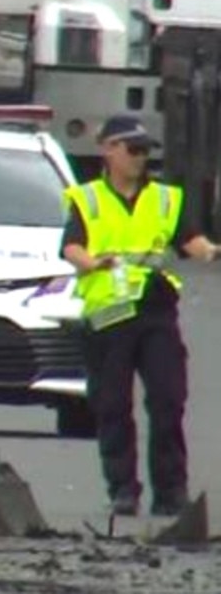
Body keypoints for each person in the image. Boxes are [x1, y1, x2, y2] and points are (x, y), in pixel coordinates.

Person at [60, 115, 220, 517]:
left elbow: (188, 239)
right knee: (112, 405)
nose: (139, 158)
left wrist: (211, 252)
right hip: (109, 316)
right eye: (132, 150)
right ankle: (123, 489)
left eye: (145, 151)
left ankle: (171, 492)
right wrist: (92, 263)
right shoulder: (88, 198)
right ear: (108, 150)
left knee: (169, 400)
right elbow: (71, 247)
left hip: (156, 311)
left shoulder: (164, 198)